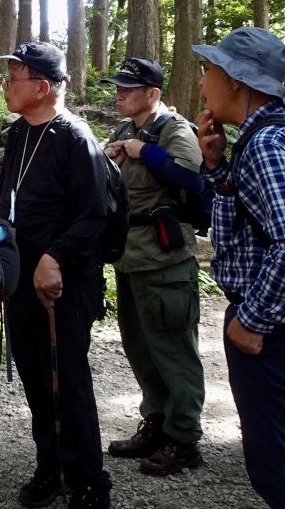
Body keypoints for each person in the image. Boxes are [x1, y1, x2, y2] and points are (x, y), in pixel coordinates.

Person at [192, 27, 285, 508]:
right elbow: (256, 219)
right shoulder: (284, 131)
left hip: (280, 332)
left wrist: (251, 321)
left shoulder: (266, 145)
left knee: (283, 470)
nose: (203, 82)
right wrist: (217, 167)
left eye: (210, 70)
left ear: (237, 81)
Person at [0, 42, 112, 509]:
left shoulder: (76, 138)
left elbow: (94, 214)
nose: (6, 85)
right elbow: (12, 204)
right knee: (36, 380)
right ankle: (51, 466)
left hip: (63, 285)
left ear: (41, 87)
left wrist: (55, 257)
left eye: (14, 77)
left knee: (68, 381)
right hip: (22, 280)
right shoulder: (18, 135)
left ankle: (89, 482)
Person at [101, 58, 205, 475]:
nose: (119, 93)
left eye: (129, 87)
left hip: (164, 260)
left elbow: (191, 180)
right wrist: (111, 158)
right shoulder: (125, 131)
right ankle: (157, 423)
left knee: (174, 350)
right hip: (130, 256)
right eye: (118, 86)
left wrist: (146, 152)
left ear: (153, 94)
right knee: (141, 348)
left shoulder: (174, 130)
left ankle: (184, 439)